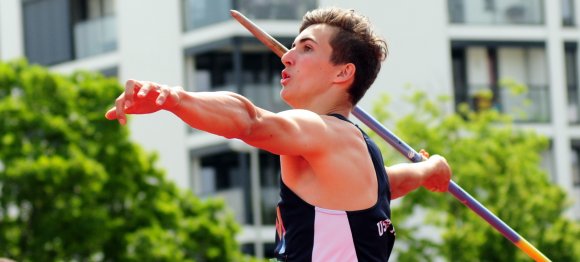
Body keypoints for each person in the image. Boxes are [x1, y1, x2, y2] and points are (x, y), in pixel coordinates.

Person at [106, 7, 451, 262]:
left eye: (307, 48)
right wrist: (428, 170)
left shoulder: (324, 132)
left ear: (343, 73)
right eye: (292, 47)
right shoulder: (355, 152)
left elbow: (251, 121)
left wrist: (177, 99)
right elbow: (390, 185)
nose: (287, 57)